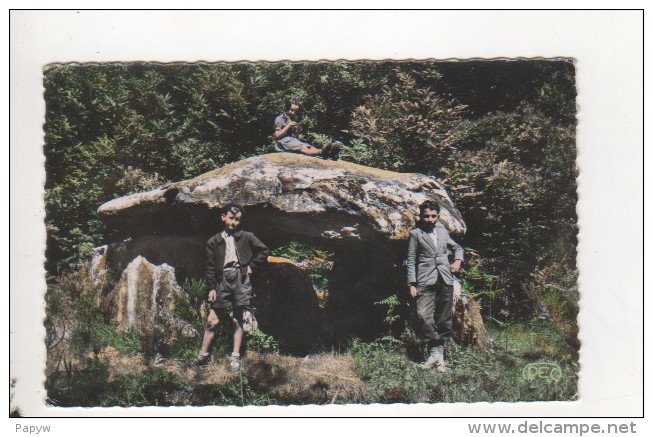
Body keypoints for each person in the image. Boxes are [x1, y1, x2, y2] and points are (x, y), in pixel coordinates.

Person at [192, 204, 270, 371]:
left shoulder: (247, 237)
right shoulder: (214, 241)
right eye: (231, 218)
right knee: (212, 320)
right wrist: (211, 288)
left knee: (237, 319)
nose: (234, 222)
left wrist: (251, 267)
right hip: (222, 281)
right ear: (223, 217)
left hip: (241, 279)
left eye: (237, 219)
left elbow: (263, 250)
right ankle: (202, 356)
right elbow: (210, 267)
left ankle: (235, 357)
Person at [406, 200, 464, 372]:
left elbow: (457, 247)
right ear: (421, 216)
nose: (430, 219)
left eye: (433, 216)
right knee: (423, 314)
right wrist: (411, 283)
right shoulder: (415, 234)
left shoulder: (442, 230)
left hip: (445, 278)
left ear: (438, 216)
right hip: (425, 279)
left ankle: (438, 356)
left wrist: (458, 261)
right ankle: (434, 351)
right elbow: (410, 260)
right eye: (426, 216)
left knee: (444, 318)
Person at [273, 97, 342, 160]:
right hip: (283, 142)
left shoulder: (292, 119)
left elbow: (297, 139)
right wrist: (288, 126)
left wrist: (297, 132)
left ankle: (329, 153)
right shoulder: (279, 119)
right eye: (292, 110)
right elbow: (277, 135)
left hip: (292, 140)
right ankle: (323, 152)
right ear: (286, 108)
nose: (294, 113)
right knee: (304, 148)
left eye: (296, 111)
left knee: (308, 146)